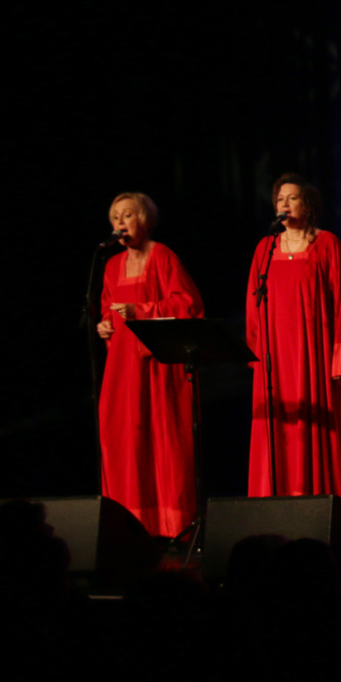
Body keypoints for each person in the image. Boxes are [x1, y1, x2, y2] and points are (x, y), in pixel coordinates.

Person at [244, 173, 341, 498]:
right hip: (275, 358)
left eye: (292, 198)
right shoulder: (265, 249)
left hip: (314, 355)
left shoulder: (327, 245)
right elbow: (253, 308)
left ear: (309, 205)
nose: (284, 204)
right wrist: (256, 354)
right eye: (279, 199)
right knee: (277, 430)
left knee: (314, 429)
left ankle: (315, 504)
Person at [96, 192, 204, 538]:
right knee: (126, 438)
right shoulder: (111, 265)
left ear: (144, 219)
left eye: (127, 215)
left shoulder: (163, 256)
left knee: (163, 438)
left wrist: (140, 310)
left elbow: (187, 305)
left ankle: (171, 525)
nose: (120, 223)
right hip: (123, 368)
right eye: (116, 217)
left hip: (158, 365)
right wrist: (105, 325)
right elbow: (108, 308)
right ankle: (129, 525)